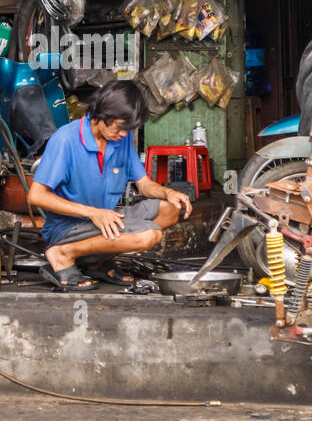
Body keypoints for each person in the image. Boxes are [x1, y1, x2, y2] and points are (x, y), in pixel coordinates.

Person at [27, 80, 192, 291]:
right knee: (149, 235)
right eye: (120, 127)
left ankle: (96, 261)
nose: (123, 134)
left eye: (128, 129)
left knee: (173, 209)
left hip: (104, 219)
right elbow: (36, 197)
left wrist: (168, 192)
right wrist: (93, 213)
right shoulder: (66, 140)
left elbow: (143, 185)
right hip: (68, 228)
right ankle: (63, 254)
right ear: (104, 113)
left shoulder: (121, 139)